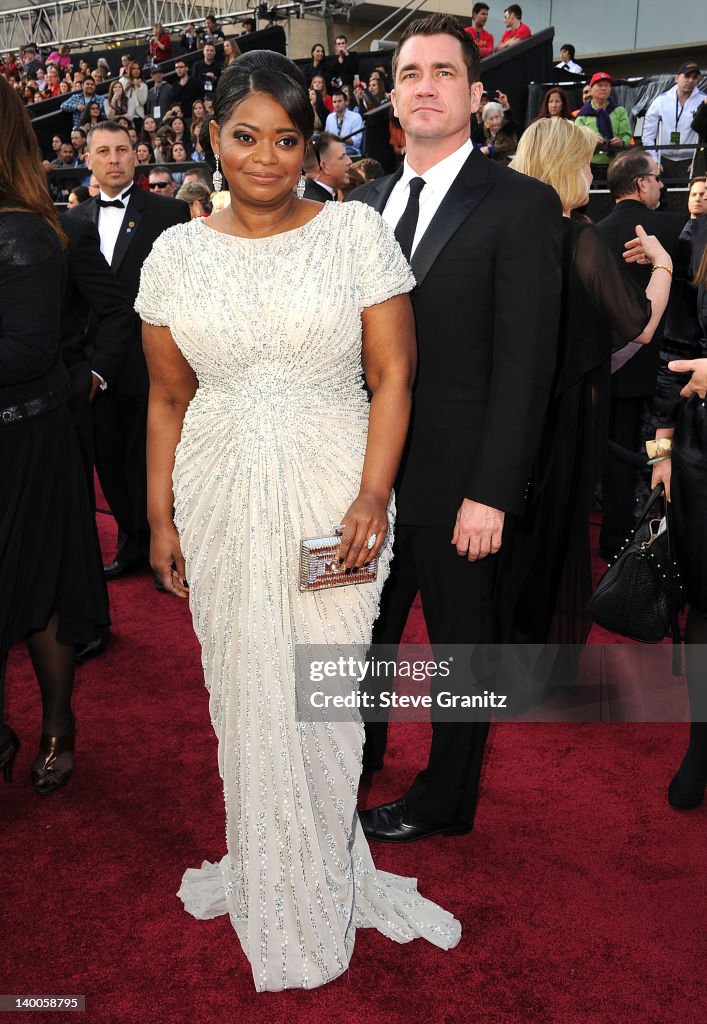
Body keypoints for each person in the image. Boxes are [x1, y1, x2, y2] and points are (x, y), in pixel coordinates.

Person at [134, 46, 461, 992]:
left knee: (322, 690)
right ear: (213, 140)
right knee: (245, 685)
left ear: (309, 145)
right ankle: (270, 866)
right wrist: (159, 518)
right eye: (245, 137)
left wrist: (370, 495)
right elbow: (166, 399)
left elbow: (393, 374)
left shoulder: (353, 235)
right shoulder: (177, 255)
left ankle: (320, 870)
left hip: (334, 497)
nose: (266, 158)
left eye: (286, 139)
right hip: (222, 492)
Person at [347, 14, 563, 840]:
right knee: (357, 638)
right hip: (361, 481)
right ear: (392, 95)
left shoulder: (521, 204)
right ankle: (353, 762)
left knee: (460, 658)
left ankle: (444, 800)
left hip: (460, 483)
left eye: (443, 72)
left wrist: (491, 493)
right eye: (410, 73)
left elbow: (526, 367)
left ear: (477, 96)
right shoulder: (359, 205)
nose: (425, 84)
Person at [497, 119, 673, 653]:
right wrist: (662, 264)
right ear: (561, 167)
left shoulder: (503, 230)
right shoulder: (578, 237)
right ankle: (530, 656)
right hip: (564, 416)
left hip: (508, 411)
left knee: (507, 536)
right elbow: (640, 323)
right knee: (547, 537)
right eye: (582, 166)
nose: (588, 178)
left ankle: (497, 645)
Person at [0, 77, 109, 794]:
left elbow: (28, 351)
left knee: (38, 593)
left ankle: (57, 725)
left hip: (23, 446)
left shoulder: (24, 231)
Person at [72, 121, 189, 581]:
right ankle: (129, 543)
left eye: (122, 150)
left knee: (154, 460)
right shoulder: (73, 221)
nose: (114, 159)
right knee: (109, 462)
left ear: (137, 156)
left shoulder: (170, 213)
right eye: (103, 152)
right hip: (95, 364)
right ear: (89, 160)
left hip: (150, 360)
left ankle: (166, 547)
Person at [594, 150, 685, 560]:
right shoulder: (674, 228)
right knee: (661, 453)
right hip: (665, 375)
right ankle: (662, 539)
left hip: (612, 371)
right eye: (658, 178)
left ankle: (613, 539)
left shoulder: (591, 233)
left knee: (619, 457)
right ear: (641, 183)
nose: (663, 186)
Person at [650, 222, 707, 810]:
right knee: (705, 601)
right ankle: (701, 742)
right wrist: (659, 453)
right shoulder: (698, 242)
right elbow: (674, 355)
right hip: (699, 453)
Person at [642, 62, 706, 180]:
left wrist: (700, 161)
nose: (690, 80)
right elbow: (648, 135)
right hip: (663, 159)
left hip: (691, 161)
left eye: (694, 77)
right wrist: (654, 160)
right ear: (677, 78)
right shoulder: (660, 101)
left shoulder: (703, 101)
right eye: (687, 76)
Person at [574, 72, 632, 178]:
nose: (604, 88)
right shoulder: (582, 114)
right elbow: (577, 139)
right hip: (589, 164)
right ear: (591, 90)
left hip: (616, 164)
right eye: (600, 85)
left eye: (607, 85)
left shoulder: (619, 111)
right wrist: (591, 140)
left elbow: (627, 135)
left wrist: (621, 142)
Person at [305, 131, 351, 200]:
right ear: (324, 166)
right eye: (342, 157)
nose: (349, 161)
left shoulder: (308, 194)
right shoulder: (319, 206)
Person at [325, 88, 364, 152]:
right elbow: (327, 137)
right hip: (333, 149)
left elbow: (357, 142)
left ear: (346, 102)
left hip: (350, 149)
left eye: (339, 101)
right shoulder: (330, 117)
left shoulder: (356, 117)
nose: (337, 104)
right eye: (334, 102)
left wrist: (341, 139)